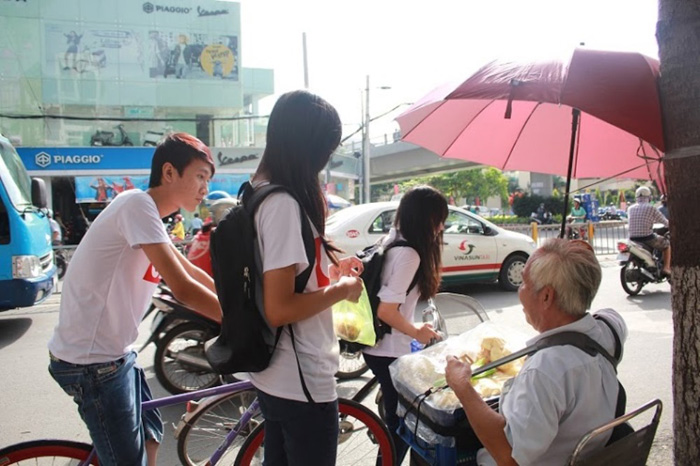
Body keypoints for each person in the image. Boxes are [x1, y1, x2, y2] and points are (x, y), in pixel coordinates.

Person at [47, 133, 222, 466]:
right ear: (169, 172)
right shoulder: (137, 205)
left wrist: (239, 306)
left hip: (116, 355)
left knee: (150, 438)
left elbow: (193, 274)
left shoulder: (149, 214)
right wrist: (243, 322)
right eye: (200, 175)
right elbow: (183, 287)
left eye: (208, 179)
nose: (205, 187)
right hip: (92, 363)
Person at [247, 90, 363, 465]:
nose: (325, 161)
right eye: (325, 150)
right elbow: (280, 307)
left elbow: (289, 277)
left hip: (275, 374)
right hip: (300, 380)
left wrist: (328, 269)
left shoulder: (257, 192)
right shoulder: (282, 205)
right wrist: (342, 289)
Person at [445, 238, 627, 466]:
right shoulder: (609, 330)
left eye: (524, 283)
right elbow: (610, 315)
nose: (519, 292)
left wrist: (462, 386)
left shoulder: (544, 371)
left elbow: (509, 458)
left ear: (547, 297)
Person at [362, 185, 446, 463]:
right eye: (438, 219)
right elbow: (387, 310)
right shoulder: (410, 254)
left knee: (401, 421)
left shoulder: (392, 239)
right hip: (389, 350)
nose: (441, 227)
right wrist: (417, 332)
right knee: (403, 425)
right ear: (426, 219)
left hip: (378, 346)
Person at [627, 186, 671, 276]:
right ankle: (666, 268)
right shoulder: (651, 208)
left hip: (632, 239)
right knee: (667, 245)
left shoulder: (630, 208)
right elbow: (664, 222)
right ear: (649, 197)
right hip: (647, 238)